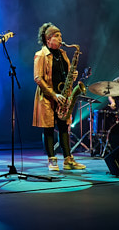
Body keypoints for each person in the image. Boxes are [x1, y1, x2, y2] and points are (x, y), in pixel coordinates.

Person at [33, 23, 86, 171]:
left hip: (63, 96)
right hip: (48, 96)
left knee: (64, 127)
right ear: (48, 38)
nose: (61, 38)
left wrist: (73, 75)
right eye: (57, 36)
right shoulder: (41, 54)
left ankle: (68, 160)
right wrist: (54, 94)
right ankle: (52, 159)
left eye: (60, 35)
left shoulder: (62, 54)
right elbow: (38, 78)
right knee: (49, 128)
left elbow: (67, 74)